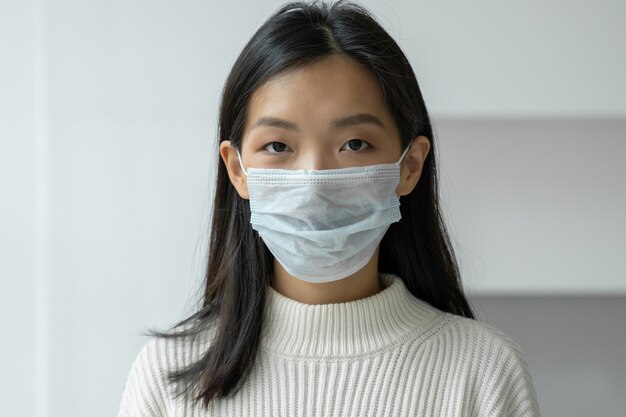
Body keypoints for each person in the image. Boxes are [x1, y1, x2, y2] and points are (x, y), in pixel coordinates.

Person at [117, 1, 542, 416]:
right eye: (278, 146)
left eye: (354, 144)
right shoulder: (167, 382)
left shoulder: (484, 373)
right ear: (238, 169)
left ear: (409, 165)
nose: (314, 179)